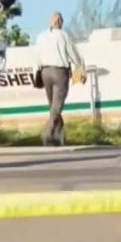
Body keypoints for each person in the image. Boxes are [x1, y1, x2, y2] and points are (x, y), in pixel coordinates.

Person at [35, 12, 86, 146]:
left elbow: (38, 56)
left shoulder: (41, 36)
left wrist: (39, 71)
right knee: (57, 106)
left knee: (53, 105)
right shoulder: (64, 36)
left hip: (45, 71)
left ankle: (59, 136)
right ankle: (48, 132)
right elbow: (74, 54)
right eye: (61, 21)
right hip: (60, 72)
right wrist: (80, 67)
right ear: (60, 22)